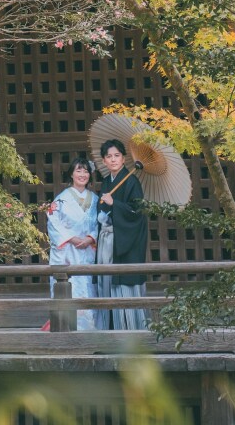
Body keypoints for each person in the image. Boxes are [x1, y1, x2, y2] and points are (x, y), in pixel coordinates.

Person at [95, 138, 148, 330]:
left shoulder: (131, 181)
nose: (113, 159)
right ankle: (110, 326)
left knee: (123, 282)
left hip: (125, 242)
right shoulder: (106, 182)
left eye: (117, 155)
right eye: (108, 156)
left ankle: (130, 329)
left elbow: (137, 212)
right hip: (107, 240)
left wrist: (114, 204)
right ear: (104, 160)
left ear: (124, 158)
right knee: (107, 281)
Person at [46, 155, 99, 330]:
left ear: (90, 175)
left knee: (89, 289)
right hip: (68, 251)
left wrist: (91, 238)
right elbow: (53, 223)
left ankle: (91, 330)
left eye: (86, 171)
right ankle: (67, 329)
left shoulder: (96, 199)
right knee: (71, 288)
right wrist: (72, 238)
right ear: (71, 174)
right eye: (79, 170)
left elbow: (101, 222)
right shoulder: (61, 199)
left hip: (88, 251)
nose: (82, 174)